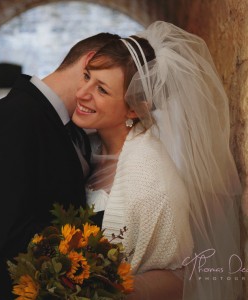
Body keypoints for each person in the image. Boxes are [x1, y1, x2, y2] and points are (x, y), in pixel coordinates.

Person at [72, 21, 242, 300]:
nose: (82, 93)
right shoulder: (82, 143)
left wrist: (110, 290)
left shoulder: (153, 180)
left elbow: (179, 278)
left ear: (134, 109)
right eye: (87, 76)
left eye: (102, 89)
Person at [0, 32, 121, 300]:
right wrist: (119, 219)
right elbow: (8, 239)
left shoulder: (77, 129)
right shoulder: (12, 116)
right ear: (90, 62)